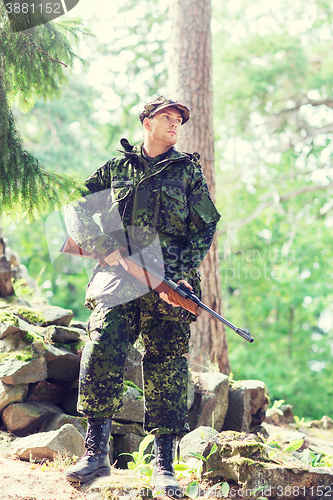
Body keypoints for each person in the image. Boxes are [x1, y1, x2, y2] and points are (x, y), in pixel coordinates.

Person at [64, 96, 221, 493]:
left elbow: (205, 226)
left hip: (168, 282)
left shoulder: (187, 173)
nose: (174, 124)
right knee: (101, 349)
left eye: (179, 120)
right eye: (166, 118)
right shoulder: (117, 167)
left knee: (166, 368)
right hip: (118, 277)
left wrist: (181, 274)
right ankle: (95, 455)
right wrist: (102, 244)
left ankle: (164, 466)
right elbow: (76, 203)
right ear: (146, 123)